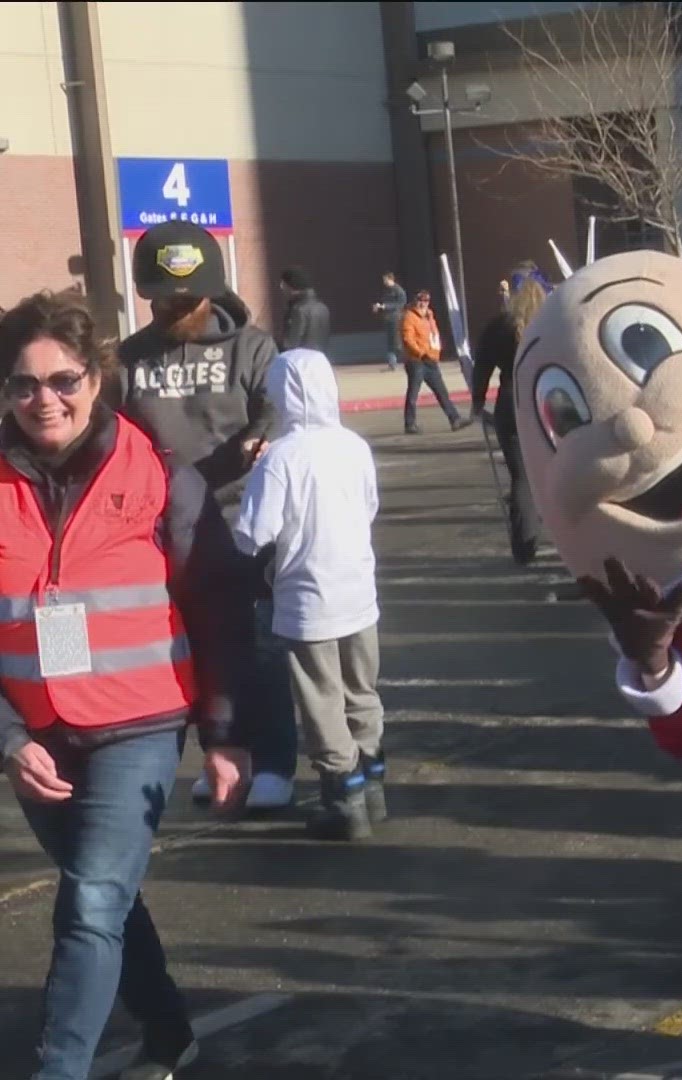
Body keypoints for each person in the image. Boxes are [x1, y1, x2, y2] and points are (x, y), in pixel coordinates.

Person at [0, 292, 251, 1080]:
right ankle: (170, 1030)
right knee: (102, 897)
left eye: (63, 379)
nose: (45, 399)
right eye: (23, 384)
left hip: (139, 726)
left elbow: (217, 606)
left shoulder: (159, 478)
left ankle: (59, 1069)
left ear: (97, 380)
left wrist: (225, 734)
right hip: (38, 736)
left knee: (91, 905)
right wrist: (8, 741)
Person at [119, 220, 298, 812]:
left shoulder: (252, 347)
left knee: (261, 647)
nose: (174, 308)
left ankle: (274, 761)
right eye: (163, 298)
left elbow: (277, 406)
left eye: (186, 298)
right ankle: (221, 753)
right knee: (196, 650)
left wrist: (260, 436)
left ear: (211, 291)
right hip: (167, 531)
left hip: (247, 523)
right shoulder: (131, 358)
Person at [233, 348, 387, 842]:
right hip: (358, 590)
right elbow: (369, 508)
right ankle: (373, 782)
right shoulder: (353, 446)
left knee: (321, 699)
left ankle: (342, 797)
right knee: (361, 691)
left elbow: (254, 534)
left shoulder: (280, 456)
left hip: (307, 597)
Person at [471, 266, 548, 565]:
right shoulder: (552, 319)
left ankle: (524, 548)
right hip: (549, 398)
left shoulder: (500, 325)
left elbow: (482, 367)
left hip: (512, 401)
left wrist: (478, 401)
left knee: (522, 477)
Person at [398, 290, 471, 436]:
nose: (423, 303)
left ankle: (454, 419)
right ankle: (410, 424)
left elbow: (434, 335)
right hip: (416, 361)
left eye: (426, 301)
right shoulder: (409, 317)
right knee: (413, 393)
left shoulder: (430, 316)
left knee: (442, 392)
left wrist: (435, 352)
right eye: (420, 300)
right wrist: (420, 352)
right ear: (415, 301)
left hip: (431, 360)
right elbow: (408, 338)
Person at [277, 266, 330, 353]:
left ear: (292, 285)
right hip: (320, 359)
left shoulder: (298, 310)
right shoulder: (322, 307)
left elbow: (290, 343)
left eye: (284, 283)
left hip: (300, 361)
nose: (281, 287)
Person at [373, 271, 407, 371]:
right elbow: (383, 302)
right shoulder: (386, 290)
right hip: (388, 318)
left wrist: (386, 306)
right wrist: (378, 307)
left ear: (390, 279)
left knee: (397, 342)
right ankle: (392, 364)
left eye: (385, 280)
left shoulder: (398, 290)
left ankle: (409, 360)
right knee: (390, 342)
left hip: (396, 318)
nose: (384, 282)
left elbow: (401, 304)